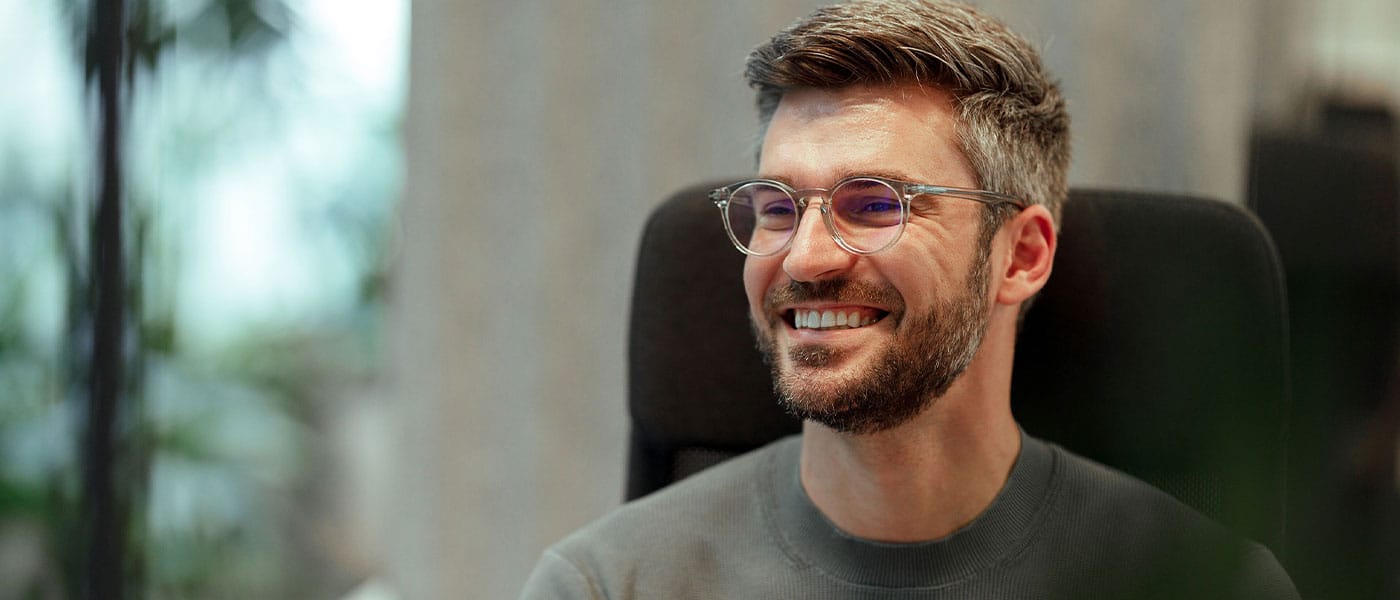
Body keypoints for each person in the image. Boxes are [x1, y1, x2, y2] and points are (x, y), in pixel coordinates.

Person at [521, 1, 1299, 597]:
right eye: (778, 208)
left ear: (1022, 255)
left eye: (874, 204)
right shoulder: (605, 586)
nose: (805, 256)